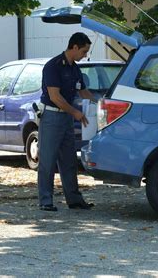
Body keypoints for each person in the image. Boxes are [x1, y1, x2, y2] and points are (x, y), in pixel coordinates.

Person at [37, 32, 96, 211]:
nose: (85, 55)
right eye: (84, 51)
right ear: (74, 47)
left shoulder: (74, 68)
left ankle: (74, 199)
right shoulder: (53, 66)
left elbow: (83, 92)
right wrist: (75, 112)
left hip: (66, 118)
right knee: (48, 160)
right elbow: (55, 97)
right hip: (52, 117)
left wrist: (101, 105)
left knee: (69, 160)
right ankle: (46, 201)